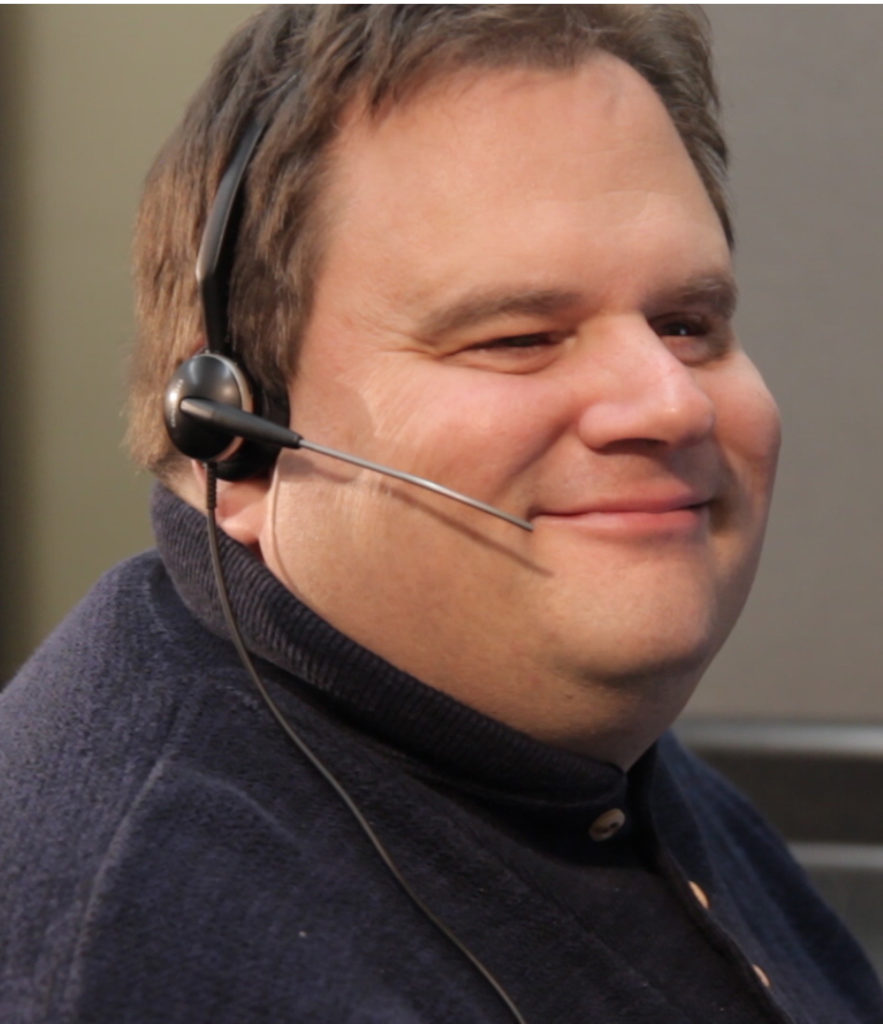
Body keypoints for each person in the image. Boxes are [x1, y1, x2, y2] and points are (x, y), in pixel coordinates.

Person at [1, 6, 881, 1023]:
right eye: (519, 337)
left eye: (686, 324)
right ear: (235, 439)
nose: (671, 402)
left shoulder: (568, 754)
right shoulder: (139, 955)